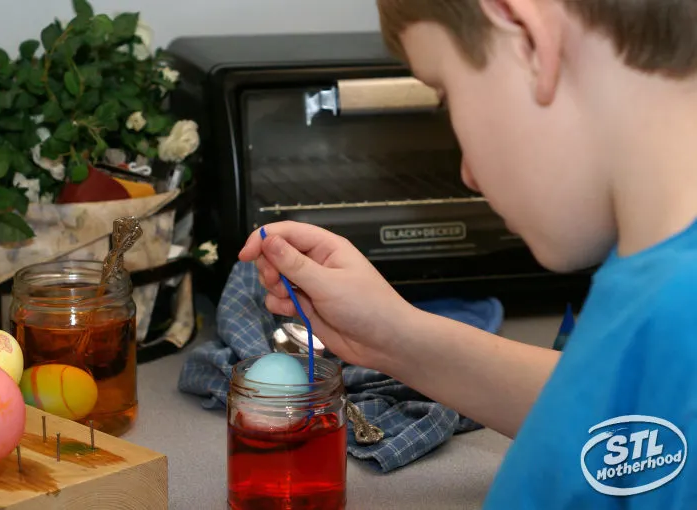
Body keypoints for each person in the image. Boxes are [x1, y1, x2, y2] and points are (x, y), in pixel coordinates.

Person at [239, 0, 697, 507]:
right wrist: (394, 337)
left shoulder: (677, 308)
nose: (468, 175)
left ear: (527, 38)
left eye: (445, 96)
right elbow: (630, 411)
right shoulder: (664, 287)